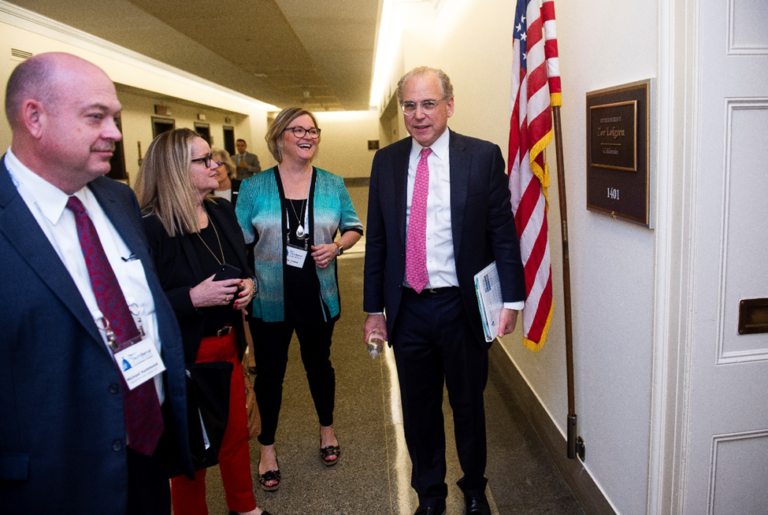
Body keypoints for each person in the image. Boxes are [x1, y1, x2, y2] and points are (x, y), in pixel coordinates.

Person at [0, 52, 192, 514]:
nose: (116, 134)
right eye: (96, 117)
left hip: (145, 455)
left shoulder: (117, 199)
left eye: (115, 117)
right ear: (34, 117)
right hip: (50, 482)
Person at [362, 67, 526, 515]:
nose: (418, 115)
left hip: (461, 308)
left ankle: (474, 489)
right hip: (407, 308)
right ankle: (430, 496)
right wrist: (374, 309)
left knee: (469, 405)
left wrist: (512, 300)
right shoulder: (388, 161)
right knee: (418, 410)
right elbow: (377, 238)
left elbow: (502, 233)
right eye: (410, 106)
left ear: (449, 105)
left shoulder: (483, 157)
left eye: (428, 103)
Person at [134, 128, 270, 515]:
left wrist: (249, 285)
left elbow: (245, 267)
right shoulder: (151, 227)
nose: (218, 164)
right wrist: (193, 298)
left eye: (215, 157)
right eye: (205, 159)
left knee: (235, 433)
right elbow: (140, 301)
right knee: (190, 448)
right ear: (177, 168)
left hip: (229, 346)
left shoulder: (221, 211)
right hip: (185, 354)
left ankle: (244, 508)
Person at [236, 107, 363, 491]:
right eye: (298, 130)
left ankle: (327, 430)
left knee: (319, 366)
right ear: (278, 138)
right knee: (270, 376)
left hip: (318, 296)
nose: (308, 136)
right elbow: (238, 243)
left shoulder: (332, 184)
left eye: (313, 130)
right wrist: (244, 283)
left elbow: (354, 226)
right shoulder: (254, 187)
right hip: (268, 297)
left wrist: (337, 247)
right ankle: (267, 449)